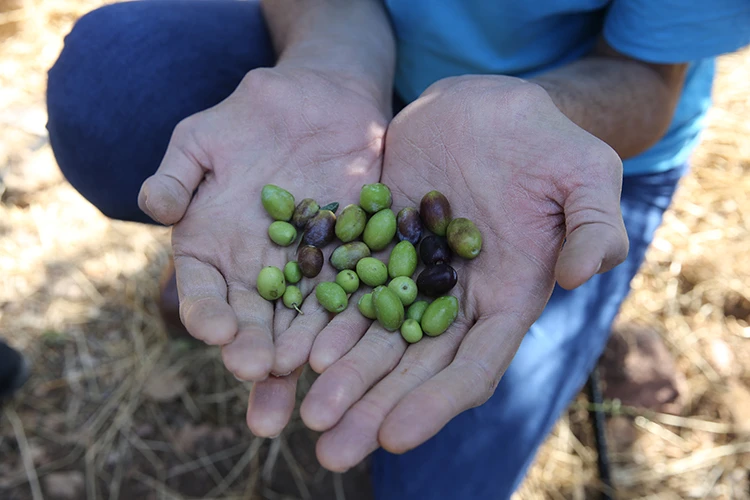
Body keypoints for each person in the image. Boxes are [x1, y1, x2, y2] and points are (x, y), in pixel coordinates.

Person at [46, 0, 750, 497]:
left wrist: (534, 115)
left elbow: (649, 77)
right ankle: (220, 243)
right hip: (363, 56)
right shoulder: (360, 250)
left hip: (558, 132)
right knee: (117, 82)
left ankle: (574, 325)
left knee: (435, 483)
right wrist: (329, 63)